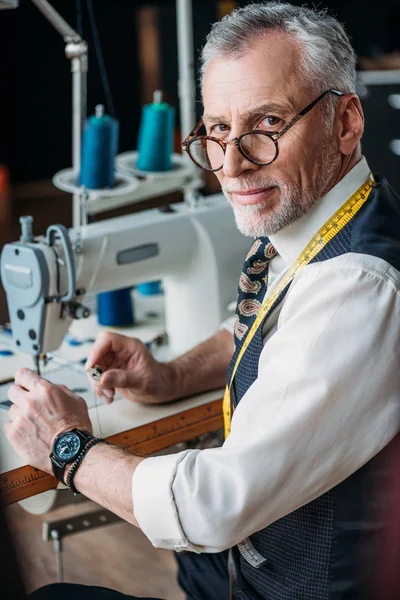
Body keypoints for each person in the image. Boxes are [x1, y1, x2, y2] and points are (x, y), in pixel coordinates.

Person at [4, 3, 400, 599]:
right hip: (235, 572)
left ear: (345, 122)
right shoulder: (314, 215)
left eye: (266, 124)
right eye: (217, 129)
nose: (232, 165)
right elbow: (263, 324)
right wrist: (168, 374)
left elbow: (209, 507)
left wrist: (68, 449)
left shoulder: (358, 287)